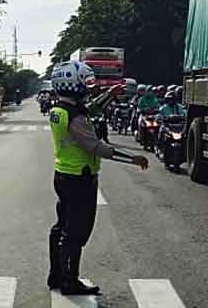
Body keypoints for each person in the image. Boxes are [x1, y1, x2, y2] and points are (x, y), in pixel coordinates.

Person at [48, 61, 148, 296]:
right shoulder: (75, 118)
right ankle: (70, 281)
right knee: (77, 232)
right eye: (86, 83)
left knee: (61, 227)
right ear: (74, 86)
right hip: (80, 179)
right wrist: (132, 158)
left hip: (64, 174)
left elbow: (89, 109)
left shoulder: (60, 109)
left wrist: (109, 94)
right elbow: (96, 146)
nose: (89, 87)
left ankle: (56, 275)